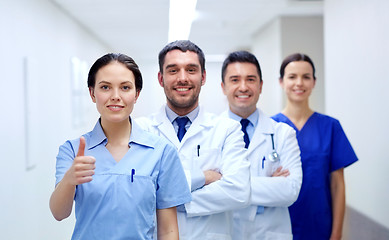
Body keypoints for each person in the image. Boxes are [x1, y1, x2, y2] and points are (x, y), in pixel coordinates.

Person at [49, 53, 191, 240]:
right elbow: (59, 213)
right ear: (92, 93)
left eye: (125, 87)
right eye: (105, 87)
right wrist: (69, 179)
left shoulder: (161, 152)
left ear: (136, 94)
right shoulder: (72, 150)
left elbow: (168, 231)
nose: (115, 96)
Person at [135, 40, 251, 240]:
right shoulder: (140, 130)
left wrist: (165, 198)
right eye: (173, 71)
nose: (182, 78)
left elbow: (240, 191)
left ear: (203, 76)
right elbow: (136, 193)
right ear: (160, 78)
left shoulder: (227, 130)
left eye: (191, 70)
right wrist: (203, 178)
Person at [272, 53, 358, 240]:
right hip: (277, 226)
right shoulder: (269, 128)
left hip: (320, 226)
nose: (299, 83)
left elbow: (338, 185)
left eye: (306, 77)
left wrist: (336, 234)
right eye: (292, 77)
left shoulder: (330, 127)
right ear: (281, 82)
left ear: (314, 82)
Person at [220, 50, 302, 240]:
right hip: (225, 232)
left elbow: (290, 190)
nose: (243, 87)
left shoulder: (283, 133)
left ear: (261, 85)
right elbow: (202, 191)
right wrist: (271, 184)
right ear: (223, 87)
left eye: (250, 79)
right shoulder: (208, 134)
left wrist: (226, 183)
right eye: (235, 80)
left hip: (271, 233)